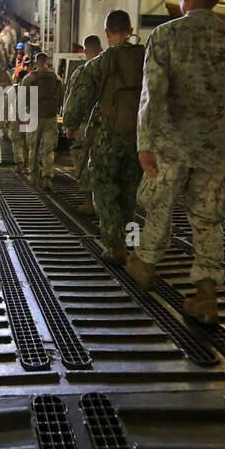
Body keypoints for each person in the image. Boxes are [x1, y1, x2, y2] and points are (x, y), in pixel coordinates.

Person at [128, 0, 225, 322]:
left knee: (160, 207)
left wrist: (145, 142)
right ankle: (205, 294)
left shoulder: (166, 35)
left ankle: (146, 264)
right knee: (207, 218)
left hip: (171, 143)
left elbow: (151, 94)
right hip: (213, 149)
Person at [64, 14, 144, 264]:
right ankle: (133, 244)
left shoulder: (100, 63)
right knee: (130, 194)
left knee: (106, 191)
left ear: (107, 33)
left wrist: (71, 124)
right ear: (130, 30)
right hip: (140, 139)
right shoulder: (148, 60)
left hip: (107, 137)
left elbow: (80, 98)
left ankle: (115, 246)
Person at [61, 34, 103, 215]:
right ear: (101, 49)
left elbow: (72, 101)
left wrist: (69, 126)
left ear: (85, 51)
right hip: (108, 124)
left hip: (86, 126)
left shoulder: (81, 72)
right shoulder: (109, 69)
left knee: (84, 161)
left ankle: (89, 201)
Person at [18, 52, 63, 191]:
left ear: (36, 62)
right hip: (50, 117)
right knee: (48, 149)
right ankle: (47, 178)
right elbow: (61, 97)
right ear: (47, 62)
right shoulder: (56, 78)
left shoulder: (29, 78)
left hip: (34, 116)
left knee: (33, 148)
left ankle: (33, 177)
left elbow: (22, 98)